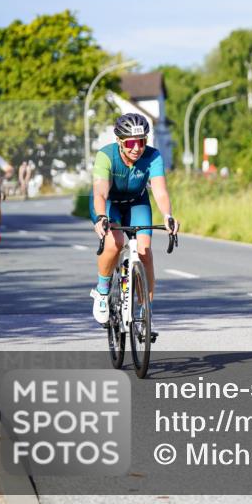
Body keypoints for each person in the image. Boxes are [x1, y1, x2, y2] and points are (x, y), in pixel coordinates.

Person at [90, 113, 180, 338]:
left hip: (137, 203)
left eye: (141, 141)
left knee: (145, 252)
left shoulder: (153, 156)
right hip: (109, 204)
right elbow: (100, 192)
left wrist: (168, 215)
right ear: (119, 141)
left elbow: (160, 191)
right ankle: (102, 292)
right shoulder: (106, 156)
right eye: (131, 143)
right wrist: (101, 217)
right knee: (115, 243)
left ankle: (144, 312)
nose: (137, 148)